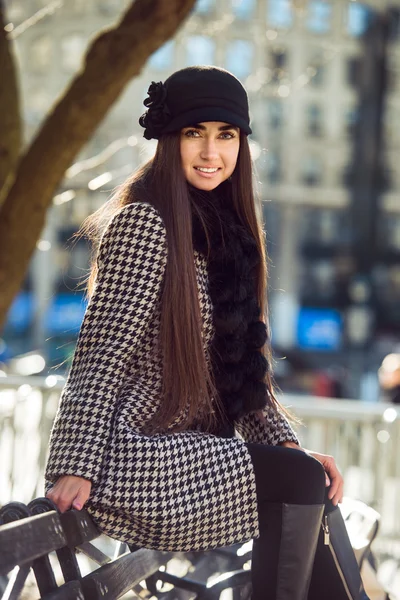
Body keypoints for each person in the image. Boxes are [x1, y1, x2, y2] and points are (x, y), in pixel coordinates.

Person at [45, 66, 368, 599]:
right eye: (195, 133)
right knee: (300, 484)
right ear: (169, 140)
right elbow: (101, 355)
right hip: (138, 458)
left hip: (190, 457)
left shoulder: (229, 233)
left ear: (242, 143)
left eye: (227, 135)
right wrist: (73, 465)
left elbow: (240, 370)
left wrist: (287, 447)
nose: (210, 152)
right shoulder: (146, 223)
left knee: (309, 484)